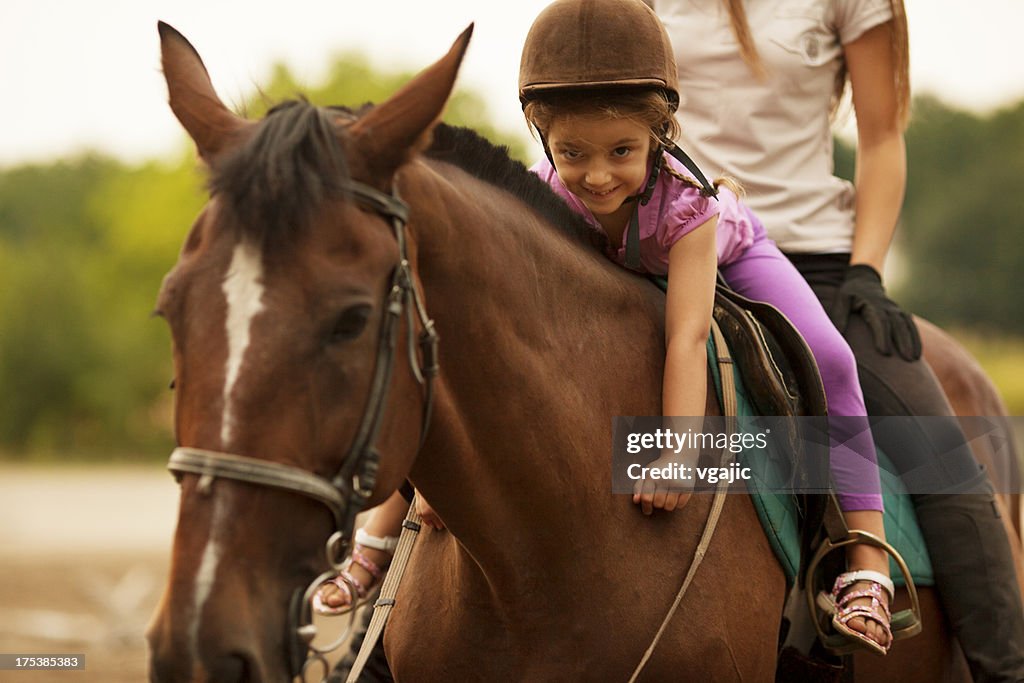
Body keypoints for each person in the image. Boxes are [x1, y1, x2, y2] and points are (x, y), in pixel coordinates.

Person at [516, 0, 909, 655]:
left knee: (831, 358)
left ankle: (867, 556)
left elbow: (688, 334)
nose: (598, 173)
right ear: (545, 145)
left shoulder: (689, 205)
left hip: (729, 246)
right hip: (619, 259)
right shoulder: (539, 196)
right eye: (573, 153)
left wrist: (676, 453)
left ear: (660, 136)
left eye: (622, 150)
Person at [648, 0, 1024, 679]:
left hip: (811, 266)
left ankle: (1006, 666)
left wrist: (867, 273)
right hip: (667, 250)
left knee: (948, 466)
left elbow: (881, 138)